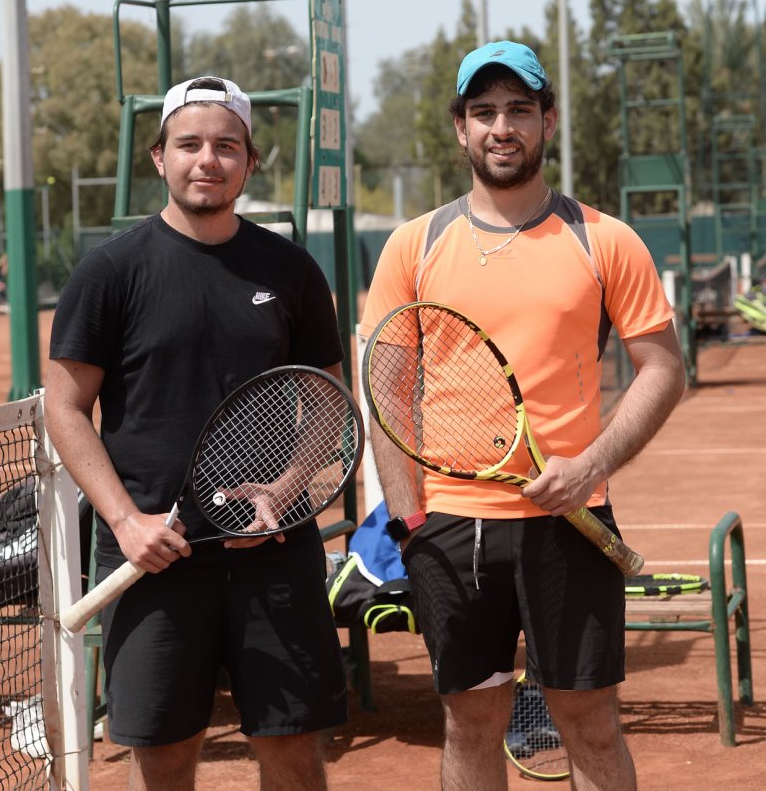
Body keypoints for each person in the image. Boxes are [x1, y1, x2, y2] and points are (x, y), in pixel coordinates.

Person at [359, 41, 687, 790]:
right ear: (461, 128)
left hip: (572, 520)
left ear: (548, 120)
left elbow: (664, 369)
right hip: (450, 529)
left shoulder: (604, 240)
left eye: (518, 110)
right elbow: (387, 393)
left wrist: (590, 465)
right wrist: (409, 524)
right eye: (483, 112)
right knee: (470, 720)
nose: (501, 127)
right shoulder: (415, 245)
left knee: (589, 722)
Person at [45, 76, 347, 790]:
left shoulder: (291, 269)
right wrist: (127, 522)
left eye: (226, 146)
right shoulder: (109, 271)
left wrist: (285, 489)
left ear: (249, 162)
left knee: (294, 753)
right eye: (189, 144)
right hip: (152, 558)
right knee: (165, 758)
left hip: (274, 552)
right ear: (159, 157)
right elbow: (64, 407)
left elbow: (327, 399)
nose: (207, 159)